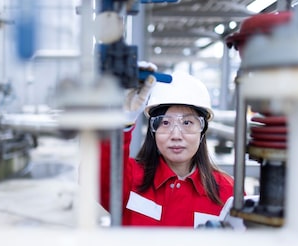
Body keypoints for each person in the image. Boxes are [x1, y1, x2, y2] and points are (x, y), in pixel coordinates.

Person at [99, 68, 235, 227]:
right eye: (165, 122)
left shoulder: (226, 192)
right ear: (153, 130)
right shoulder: (130, 178)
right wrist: (121, 121)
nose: (176, 135)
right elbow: (96, 173)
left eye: (187, 123)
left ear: (202, 131)